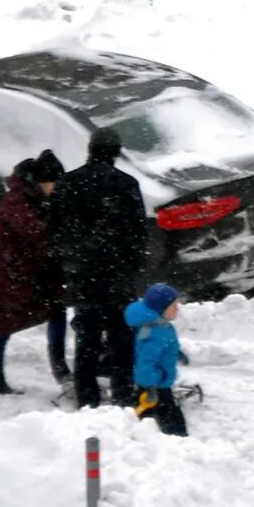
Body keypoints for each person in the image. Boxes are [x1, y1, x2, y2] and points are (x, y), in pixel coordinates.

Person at [49, 129, 149, 410]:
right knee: (121, 338)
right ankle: (123, 394)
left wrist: (68, 264)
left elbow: (55, 230)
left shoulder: (69, 183)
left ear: (90, 149)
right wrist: (132, 268)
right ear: (116, 152)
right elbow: (138, 234)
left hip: (83, 275)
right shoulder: (127, 184)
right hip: (118, 276)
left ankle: (88, 397)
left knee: (87, 338)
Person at [0, 151, 67, 396]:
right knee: (1, 327)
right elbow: (36, 232)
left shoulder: (37, 197)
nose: (58, 189)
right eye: (55, 184)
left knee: (57, 311)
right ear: (43, 181)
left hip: (32, 272)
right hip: (8, 275)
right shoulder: (17, 200)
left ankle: (61, 370)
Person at [127, 283, 189, 438]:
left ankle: (168, 439)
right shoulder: (153, 332)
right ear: (161, 309)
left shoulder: (161, 326)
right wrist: (150, 387)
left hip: (158, 382)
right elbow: (145, 363)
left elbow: (165, 347)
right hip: (154, 386)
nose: (178, 309)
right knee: (166, 417)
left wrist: (177, 354)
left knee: (156, 416)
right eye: (174, 306)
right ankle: (178, 441)